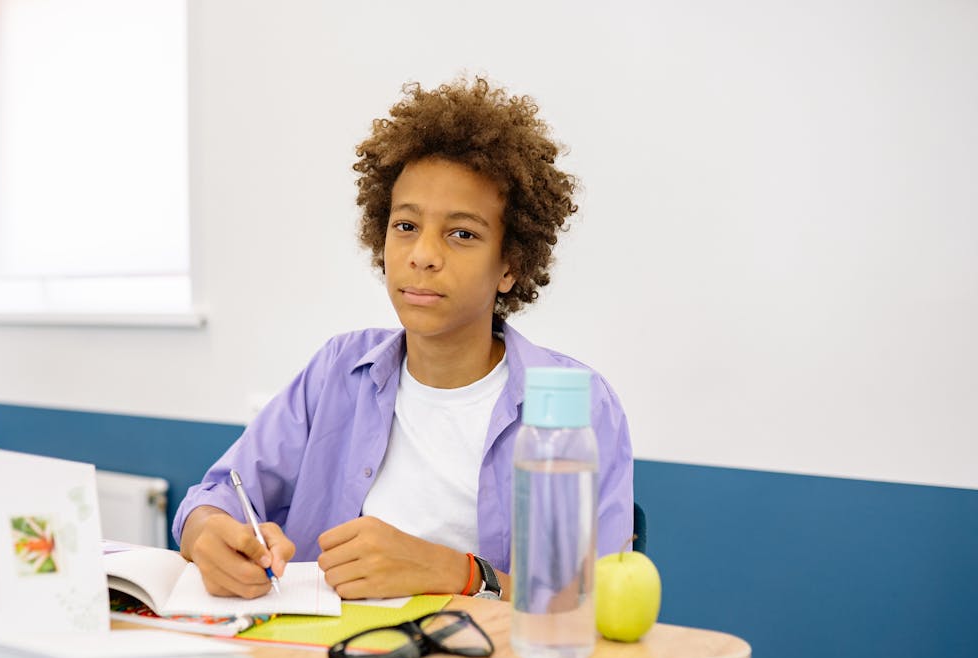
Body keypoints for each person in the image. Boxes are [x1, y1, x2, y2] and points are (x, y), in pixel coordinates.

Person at [173, 76, 633, 601]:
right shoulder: (337, 370)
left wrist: (458, 573)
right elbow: (211, 499)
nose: (423, 255)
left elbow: (594, 602)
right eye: (406, 226)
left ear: (510, 264)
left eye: (462, 234)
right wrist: (208, 534)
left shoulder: (580, 403)